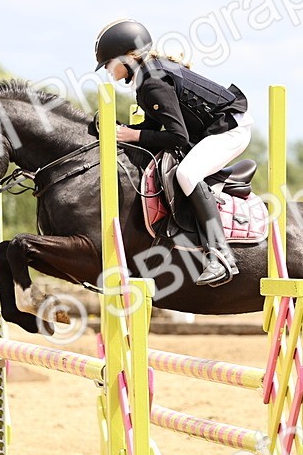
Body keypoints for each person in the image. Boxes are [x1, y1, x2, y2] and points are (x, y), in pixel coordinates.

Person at [94, 18, 253, 286]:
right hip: (213, 130)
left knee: (188, 173)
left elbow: (177, 136)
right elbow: (158, 126)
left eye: (109, 63)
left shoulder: (152, 82)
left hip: (230, 131)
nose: (107, 70)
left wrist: (134, 134)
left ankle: (221, 255)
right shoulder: (147, 76)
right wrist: (124, 130)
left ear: (128, 57)